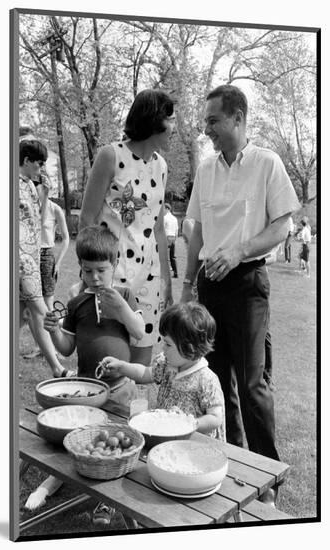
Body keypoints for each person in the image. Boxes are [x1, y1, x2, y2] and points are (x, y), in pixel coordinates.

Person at [181, 84, 300, 504]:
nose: (207, 130)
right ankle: (232, 469)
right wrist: (187, 285)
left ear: (237, 118)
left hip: (249, 284)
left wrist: (237, 251)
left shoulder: (267, 163)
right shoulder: (207, 169)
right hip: (210, 286)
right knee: (217, 381)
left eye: (212, 121)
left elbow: (282, 225)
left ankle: (268, 484)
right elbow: (194, 230)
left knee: (252, 384)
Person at [25, 225, 145, 523]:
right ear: (80, 268)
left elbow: (139, 331)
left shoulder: (126, 296)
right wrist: (53, 332)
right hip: (88, 391)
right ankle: (51, 482)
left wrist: (120, 307)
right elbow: (66, 348)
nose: (94, 278)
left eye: (101, 270)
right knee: (81, 442)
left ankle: (107, 501)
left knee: (115, 446)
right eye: (88, 270)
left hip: (120, 389)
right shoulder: (77, 303)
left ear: (115, 265)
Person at [79, 88, 176, 366]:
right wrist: (94, 274)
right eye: (171, 120)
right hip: (112, 275)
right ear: (155, 121)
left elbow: (157, 227)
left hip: (149, 279)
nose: (174, 128)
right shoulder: (110, 155)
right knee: (107, 359)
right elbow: (88, 219)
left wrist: (166, 280)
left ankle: (136, 411)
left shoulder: (162, 166)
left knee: (141, 364)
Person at [101, 302, 225, 441]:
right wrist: (121, 366)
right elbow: (144, 373)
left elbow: (215, 418)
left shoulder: (206, 379)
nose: (163, 348)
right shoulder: (166, 363)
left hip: (194, 443)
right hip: (166, 435)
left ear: (189, 348)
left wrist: (190, 423)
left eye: (168, 344)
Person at [19, 139, 74, 378]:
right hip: (22, 260)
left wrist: (44, 197)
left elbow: (38, 224)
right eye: (39, 163)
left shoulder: (30, 185)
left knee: (26, 313)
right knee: (42, 310)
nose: (41, 168)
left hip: (34, 254)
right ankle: (60, 365)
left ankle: (56, 367)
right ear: (26, 160)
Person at [23, 198, 70, 359]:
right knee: (30, 305)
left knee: (48, 305)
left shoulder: (55, 208)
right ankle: (40, 347)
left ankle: (54, 348)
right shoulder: (27, 204)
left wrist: (58, 262)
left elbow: (66, 238)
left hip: (46, 255)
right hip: (28, 255)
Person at [164, 203, 179, 278]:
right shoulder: (174, 218)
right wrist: (175, 239)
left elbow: (162, 229)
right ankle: (176, 273)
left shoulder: (165, 218)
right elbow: (177, 230)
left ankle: (166, 273)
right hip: (173, 237)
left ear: (167, 209)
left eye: (164, 209)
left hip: (167, 237)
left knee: (165, 256)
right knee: (172, 256)